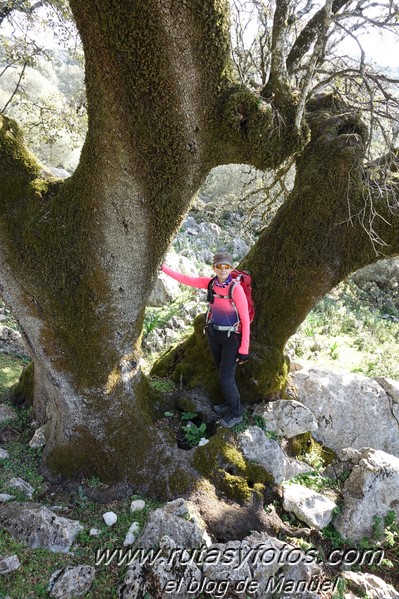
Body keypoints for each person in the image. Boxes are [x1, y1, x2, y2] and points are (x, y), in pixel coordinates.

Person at [161, 251, 250, 428]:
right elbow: (186, 279)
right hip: (214, 335)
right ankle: (228, 403)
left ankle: (236, 413)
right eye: (219, 266)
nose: (223, 270)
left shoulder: (235, 288)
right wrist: (163, 268)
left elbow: (245, 319)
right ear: (214, 267)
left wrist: (244, 349)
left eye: (226, 266)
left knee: (226, 378)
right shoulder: (210, 283)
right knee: (222, 372)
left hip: (231, 338)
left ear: (231, 268)